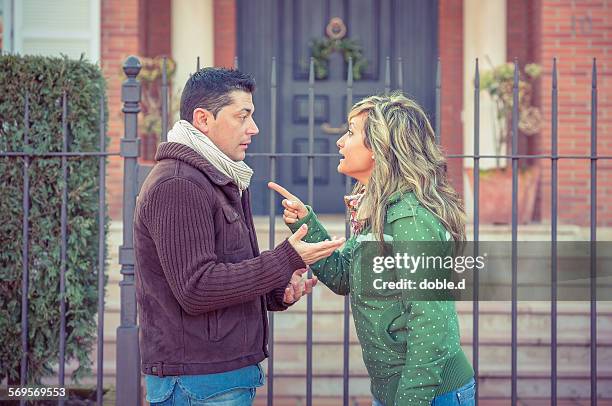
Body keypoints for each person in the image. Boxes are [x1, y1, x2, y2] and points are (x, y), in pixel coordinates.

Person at [133, 67, 345, 406]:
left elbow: (227, 271)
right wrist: (286, 258)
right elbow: (197, 288)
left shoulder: (218, 177)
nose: (254, 128)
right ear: (203, 119)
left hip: (218, 377)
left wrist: (277, 291)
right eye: (242, 116)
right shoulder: (178, 183)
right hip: (197, 380)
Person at [269, 93, 475, 405]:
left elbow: (431, 320)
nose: (340, 141)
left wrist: (409, 401)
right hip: (393, 392)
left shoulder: (410, 218)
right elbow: (343, 277)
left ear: (379, 149)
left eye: (350, 132)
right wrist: (305, 224)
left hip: (430, 395)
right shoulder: (379, 209)